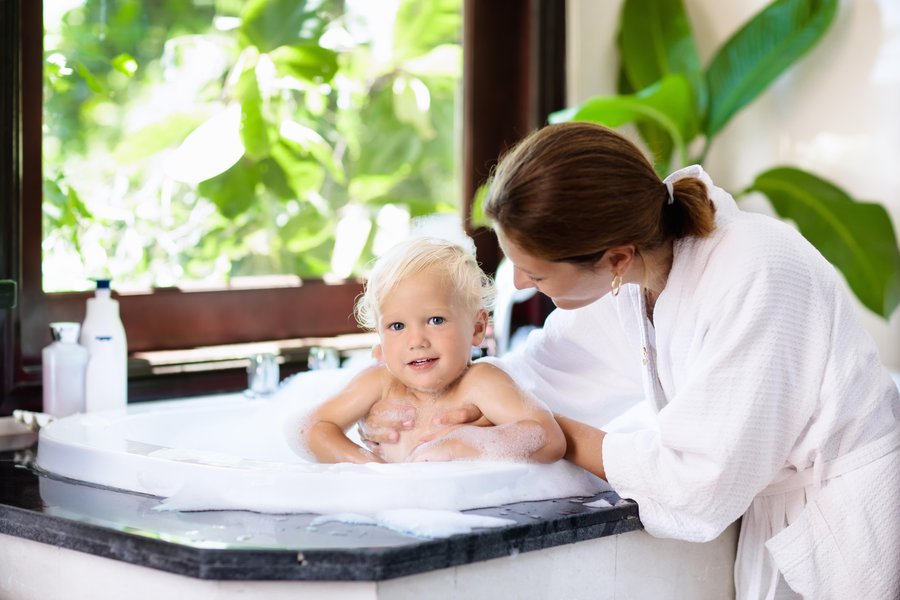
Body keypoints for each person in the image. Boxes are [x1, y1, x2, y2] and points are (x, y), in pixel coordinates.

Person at [360, 122, 900, 599]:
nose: (519, 283)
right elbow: (541, 374)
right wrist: (421, 399)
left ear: (614, 258)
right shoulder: (635, 277)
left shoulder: (754, 272)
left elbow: (700, 480)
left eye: (538, 274)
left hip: (855, 533)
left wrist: (545, 432)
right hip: (787, 527)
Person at [300, 236, 566, 465]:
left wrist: (468, 445)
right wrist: (370, 467)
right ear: (379, 338)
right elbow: (313, 428)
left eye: (436, 320)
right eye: (397, 325)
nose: (416, 340)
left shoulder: (482, 382)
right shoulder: (380, 382)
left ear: (476, 328)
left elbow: (550, 440)